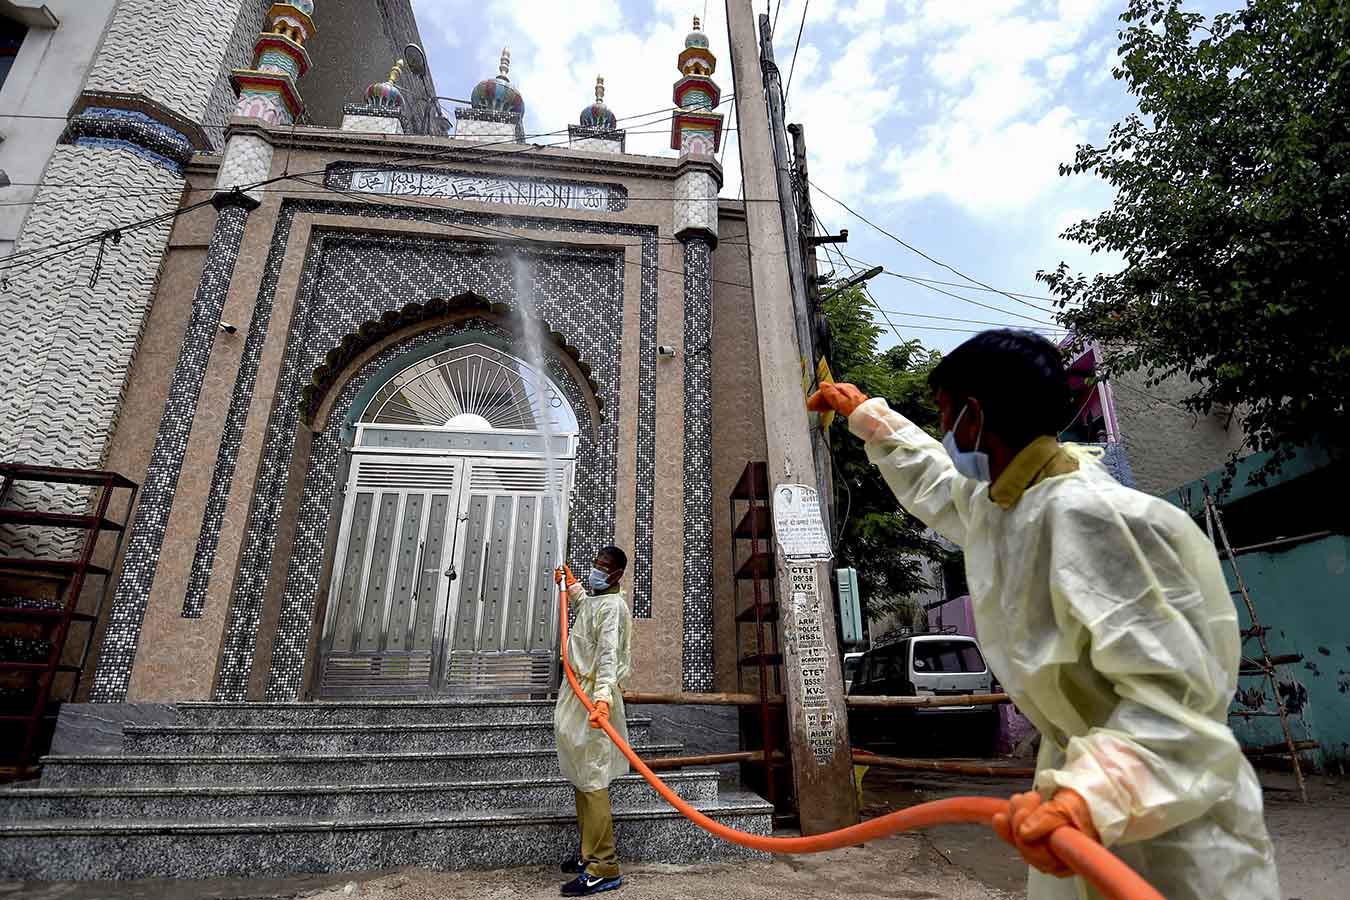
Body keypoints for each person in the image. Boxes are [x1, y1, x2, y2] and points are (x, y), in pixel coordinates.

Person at [807, 329, 1278, 900]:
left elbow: (1177, 705)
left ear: (974, 416)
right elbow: (934, 477)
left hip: (1167, 823)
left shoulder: (1098, 520)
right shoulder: (1007, 502)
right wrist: (866, 416)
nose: (944, 433)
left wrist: (1087, 796)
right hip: (1082, 796)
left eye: (945, 415)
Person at [553, 546, 633, 896]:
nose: (596, 570)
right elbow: (587, 609)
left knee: (594, 780)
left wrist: (601, 700)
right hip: (578, 694)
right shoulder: (599, 601)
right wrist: (572, 586)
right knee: (582, 776)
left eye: (603, 567)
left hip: (593, 700)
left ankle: (604, 865)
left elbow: (608, 656)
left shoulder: (614, 607)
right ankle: (589, 854)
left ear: (617, 574)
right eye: (595, 564)